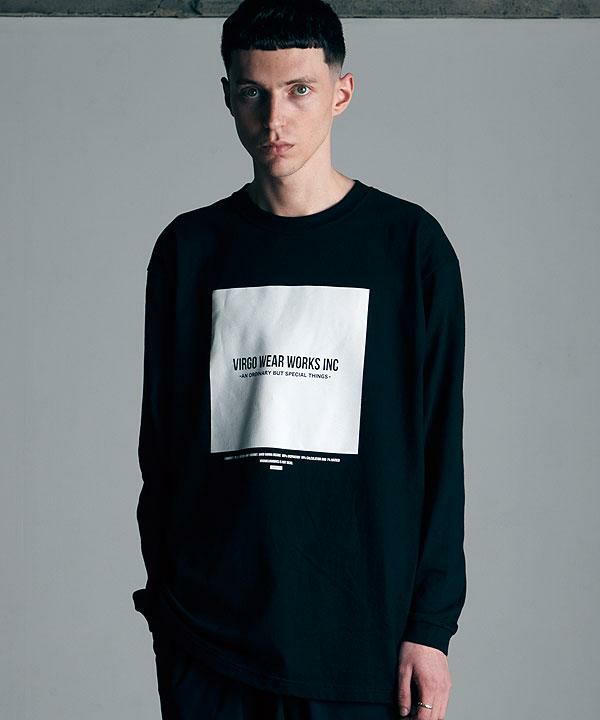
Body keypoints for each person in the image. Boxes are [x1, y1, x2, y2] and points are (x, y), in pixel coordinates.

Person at [132, 1, 467, 718]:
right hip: (209, 646)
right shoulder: (190, 251)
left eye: (299, 90)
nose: (274, 119)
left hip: (363, 642)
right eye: (253, 93)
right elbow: (160, 446)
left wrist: (430, 628)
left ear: (341, 93)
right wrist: (169, 613)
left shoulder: (409, 249)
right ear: (228, 97)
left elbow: (441, 447)